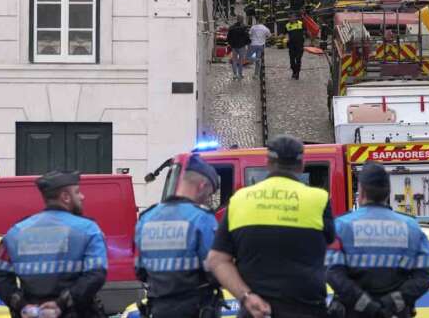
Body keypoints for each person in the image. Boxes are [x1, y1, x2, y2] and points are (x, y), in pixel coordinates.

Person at [207, 135, 335, 318]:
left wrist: (246, 297)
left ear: (268, 162)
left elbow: (217, 260)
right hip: (307, 309)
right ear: (302, 164)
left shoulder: (239, 200)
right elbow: (329, 242)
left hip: (255, 311)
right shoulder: (319, 199)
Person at [0, 171, 108, 318]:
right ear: (65, 197)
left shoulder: (16, 231)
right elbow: (96, 275)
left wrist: (22, 306)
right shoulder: (88, 229)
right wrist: (61, 304)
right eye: (77, 192)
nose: (82, 197)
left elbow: (0, 277)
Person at [327, 162, 429, 318]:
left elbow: (333, 273)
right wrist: (393, 303)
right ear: (388, 194)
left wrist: (366, 305)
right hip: (395, 313)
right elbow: (426, 274)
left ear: (362, 191)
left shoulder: (341, 226)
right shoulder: (411, 227)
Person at [134, 155, 220, 318]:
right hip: (195, 309)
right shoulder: (202, 218)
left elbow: (140, 270)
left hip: (158, 309)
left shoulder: (146, 218)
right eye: (210, 193)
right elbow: (214, 268)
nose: (208, 199)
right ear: (202, 186)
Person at [285, 14, 305, 80]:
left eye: (292, 17)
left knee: (298, 59)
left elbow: (306, 31)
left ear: (296, 18)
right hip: (291, 45)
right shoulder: (287, 25)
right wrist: (285, 39)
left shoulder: (301, 23)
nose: (291, 19)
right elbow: (285, 34)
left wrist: (312, 40)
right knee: (292, 61)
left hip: (300, 44)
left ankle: (297, 73)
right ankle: (294, 71)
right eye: (290, 17)